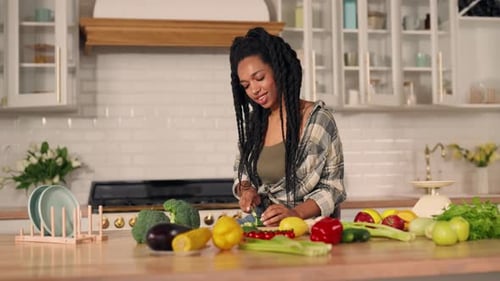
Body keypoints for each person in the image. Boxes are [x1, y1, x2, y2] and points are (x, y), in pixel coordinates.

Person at [229, 27, 346, 227]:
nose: (254, 90)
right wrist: (247, 190)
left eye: (259, 78)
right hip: (267, 230)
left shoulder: (317, 120)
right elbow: (242, 172)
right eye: (246, 85)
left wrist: (294, 213)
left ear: (278, 69)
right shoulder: (252, 124)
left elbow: (332, 188)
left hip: (311, 230)